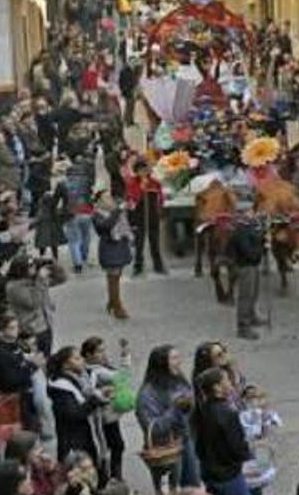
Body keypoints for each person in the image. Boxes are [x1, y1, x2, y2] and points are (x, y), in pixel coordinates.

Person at [137, 345, 199, 491]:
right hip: (166, 452)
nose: (180, 362)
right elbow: (153, 427)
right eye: (174, 358)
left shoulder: (178, 380)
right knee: (172, 490)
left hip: (186, 442)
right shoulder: (147, 395)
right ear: (161, 364)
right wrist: (176, 409)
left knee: (193, 488)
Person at [194, 367, 253, 495]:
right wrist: (248, 455)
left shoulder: (203, 409)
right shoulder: (227, 413)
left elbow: (199, 446)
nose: (230, 382)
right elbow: (237, 446)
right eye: (226, 380)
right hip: (229, 475)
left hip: (209, 472)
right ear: (217, 388)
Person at [82, 337, 128, 482]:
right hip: (105, 416)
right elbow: (122, 377)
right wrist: (125, 358)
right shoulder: (98, 372)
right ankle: (114, 477)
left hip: (106, 415)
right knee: (116, 445)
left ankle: (113, 476)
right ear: (89, 355)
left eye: (103, 350)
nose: (103, 354)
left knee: (113, 446)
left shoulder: (93, 368)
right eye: (99, 351)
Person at [5, 255, 67, 357]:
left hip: (45, 324)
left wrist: (52, 265)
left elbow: (61, 278)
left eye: (34, 265)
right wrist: (40, 280)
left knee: (46, 355)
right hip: (31, 329)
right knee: (39, 359)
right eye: (30, 265)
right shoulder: (14, 287)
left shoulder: (34, 280)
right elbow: (33, 303)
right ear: (21, 269)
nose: (34, 267)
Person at [226, 213, 267, 340]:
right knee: (246, 296)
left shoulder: (249, 226)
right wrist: (262, 247)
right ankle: (243, 327)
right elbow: (248, 251)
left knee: (253, 293)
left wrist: (263, 237)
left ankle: (252, 316)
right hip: (245, 265)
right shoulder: (241, 230)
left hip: (253, 265)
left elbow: (255, 239)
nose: (254, 214)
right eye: (250, 211)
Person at [92, 192, 132, 320]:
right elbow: (106, 226)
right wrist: (117, 211)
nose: (110, 200)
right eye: (106, 198)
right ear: (99, 202)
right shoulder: (97, 214)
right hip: (109, 247)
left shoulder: (115, 211)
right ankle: (117, 307)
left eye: (110, 197)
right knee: (113, 278)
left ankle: (112, 302)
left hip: (119, 246)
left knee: (116, 277)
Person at [124, 160, 165, 276]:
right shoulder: (132, 183)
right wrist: (140, 189)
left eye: (145, 170)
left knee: (155, 242)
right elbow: (130, 200)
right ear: (136, 172)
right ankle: (138, 266)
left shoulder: (155, 183)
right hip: (139, 216)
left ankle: (158, 265)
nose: (143, 172)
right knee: (139, 243)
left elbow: (160, 199)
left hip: (153, 216)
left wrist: (159, 209)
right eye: (140, 170)